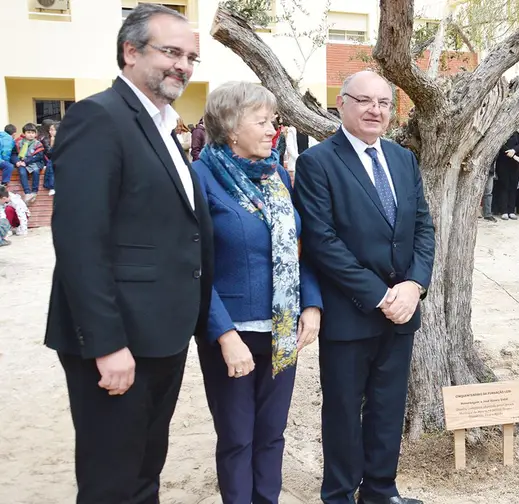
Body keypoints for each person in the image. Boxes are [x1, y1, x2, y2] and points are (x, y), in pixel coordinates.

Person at [43, 5, 214, 503]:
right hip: (118, 343)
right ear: (131, 51)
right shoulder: (99, 117)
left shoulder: (163, 124)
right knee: (112, 481)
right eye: (172, 52)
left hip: (163, 334)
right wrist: (106, 344)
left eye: (190, 57)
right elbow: (79, 242)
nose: (182, 65)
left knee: (144, 472)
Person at [294, 70, 435, 504]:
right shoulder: (316, 162)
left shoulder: (403, 159)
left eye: (384, 103)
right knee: (341, 411)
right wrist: (379, 295)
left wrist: (413, 285)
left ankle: (379, 491)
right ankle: (338, 494)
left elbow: (423, 228)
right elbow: (322, 241)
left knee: (388, 409)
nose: (376, 110)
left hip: (403, 311)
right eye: (365, 101)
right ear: (342, 104)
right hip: (350, 312)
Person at [191, 81, 323, 503]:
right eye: (262, 122)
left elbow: (298, 248)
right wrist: (224, 335)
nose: (273, 130)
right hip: (231, 334)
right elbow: (193, 266)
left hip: (282, 330)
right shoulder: (201, 178)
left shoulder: (277, 175)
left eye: (274, 121)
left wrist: (313, 305)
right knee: (236, 438)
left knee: (271, 435)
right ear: (231, 128)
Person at [494, 129, 519, 220]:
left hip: (515, 165)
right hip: (503, 163)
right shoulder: (501, 131)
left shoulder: (517, 133)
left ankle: (511, 210)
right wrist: (511, 153)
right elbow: (500, 145)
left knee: (513, 187)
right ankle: (504, 211)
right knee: (504, 186)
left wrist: (514, 150)